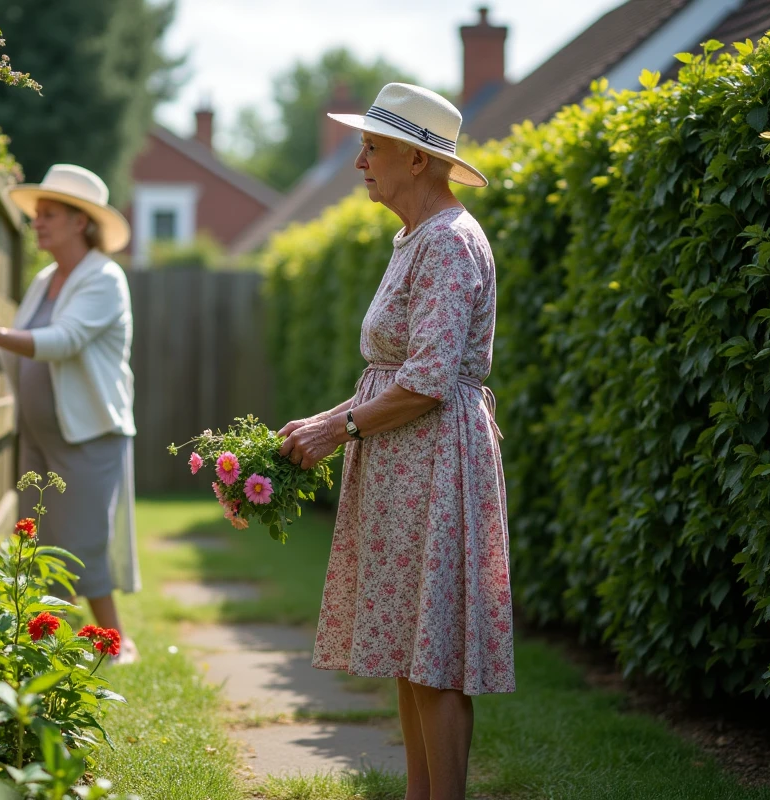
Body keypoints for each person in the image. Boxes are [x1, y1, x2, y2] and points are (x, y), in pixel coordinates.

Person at [277, 84, 514, 800]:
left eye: (372, 148)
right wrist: (325, 420)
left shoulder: (448, 242)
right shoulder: (415, 237)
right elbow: (397, 372)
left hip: (439, 463)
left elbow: (432, 380)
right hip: (408, 462)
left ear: (417, 158)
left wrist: (337, 427)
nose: (359, 164)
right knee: (415, 653)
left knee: (434, 656)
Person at [0, 164, 140, 664]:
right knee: (43, 544)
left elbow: (65, 341)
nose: (37, 223)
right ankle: (48, 645)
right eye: (37, 214)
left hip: (88, 434)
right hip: (38, 432)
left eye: (49, 214)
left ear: (81, 222)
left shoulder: (104, 278)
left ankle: (116, 645)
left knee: (83, 544)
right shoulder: (44, 279)